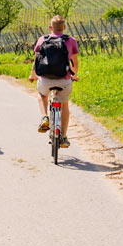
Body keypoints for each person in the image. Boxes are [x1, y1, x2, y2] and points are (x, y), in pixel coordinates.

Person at [29, 15, 79, 148]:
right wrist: (74, 76)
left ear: (51, 28)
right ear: (64, 27)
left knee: (42, 94)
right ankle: (64, 137)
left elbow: (36, 61)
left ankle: (44, 117)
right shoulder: (71, 40)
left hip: (45, 80)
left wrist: (32, 75)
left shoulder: (42, 39)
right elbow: (75, 63)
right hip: (64, 80)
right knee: (64, 105)